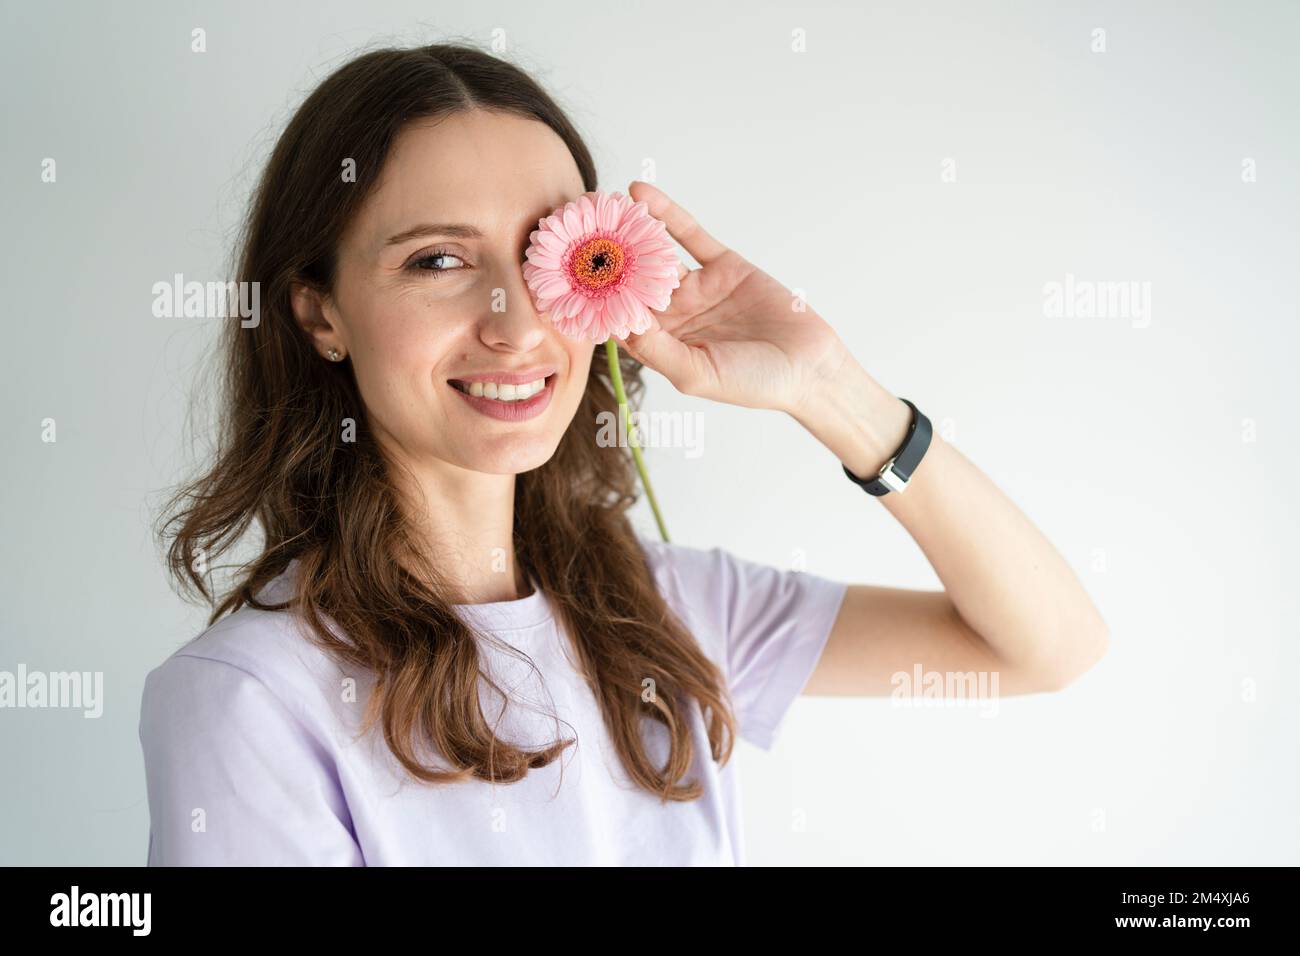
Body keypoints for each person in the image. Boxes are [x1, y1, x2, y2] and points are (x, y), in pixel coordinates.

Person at [140, 42, 1108, 866]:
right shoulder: (251, 700)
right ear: (319, 312)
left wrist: (832, 392)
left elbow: (1046, 646)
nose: (515, 324)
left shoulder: (666, 610)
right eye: (439, 259)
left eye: (542, 253)